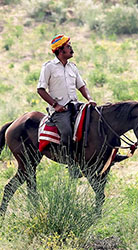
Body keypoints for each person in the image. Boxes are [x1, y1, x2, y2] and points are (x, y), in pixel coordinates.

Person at [37, 34, 127, 176]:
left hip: (75, 105)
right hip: (59, 110)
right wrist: (55, 105)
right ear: (60, 51)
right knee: (66, 131)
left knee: (99, 119)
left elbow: (82, 86)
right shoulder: (49, 67)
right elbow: (40, 90)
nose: (71, 49)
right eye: (68, 46)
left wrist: (90, 99)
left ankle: (112, 153)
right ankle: (72, 166)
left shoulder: (73, 67)